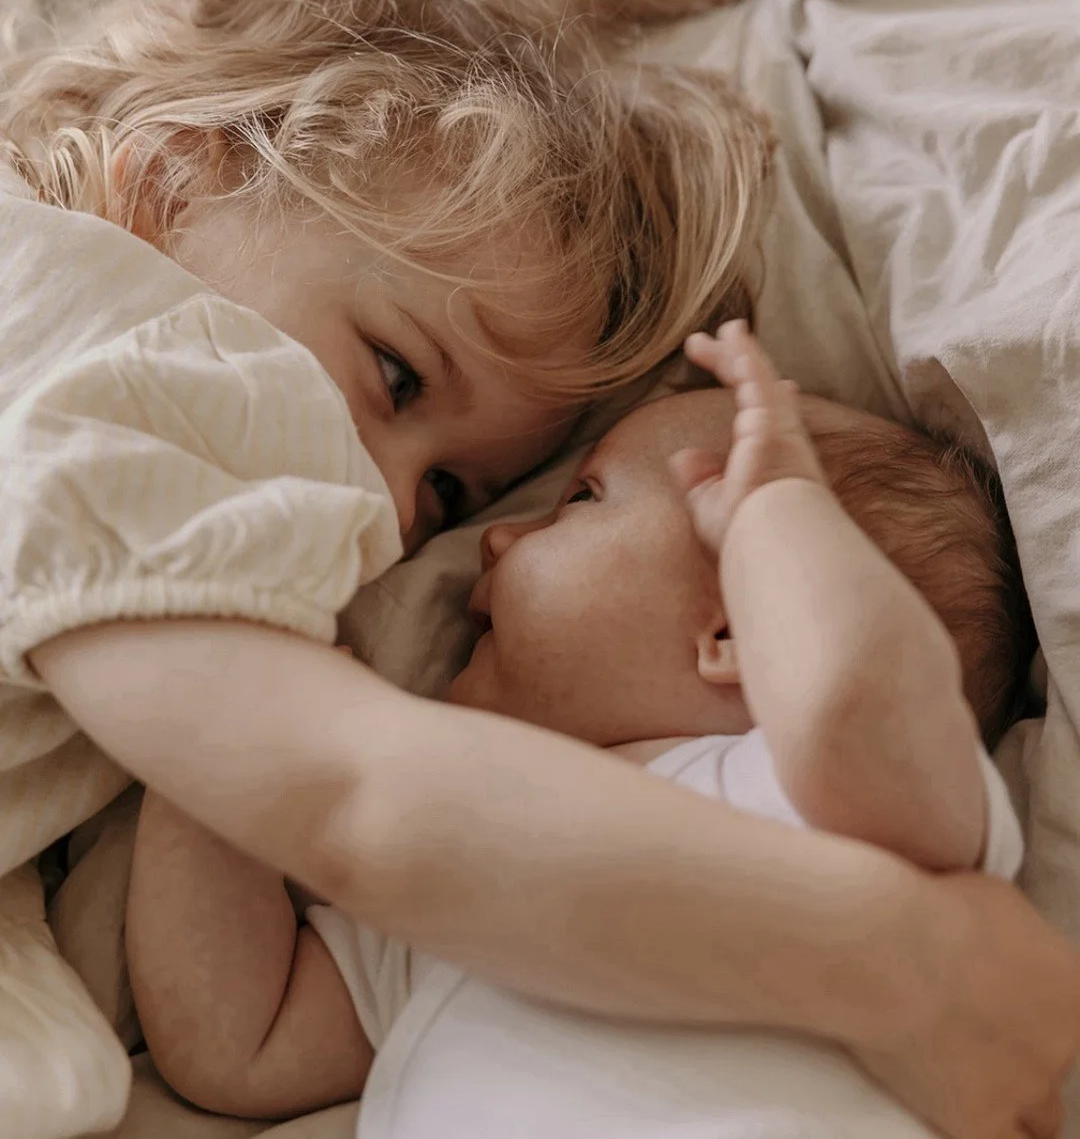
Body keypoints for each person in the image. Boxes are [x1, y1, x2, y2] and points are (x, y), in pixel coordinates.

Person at [126, 323, 1071, 1137]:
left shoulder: (846, 808)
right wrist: (230, 706)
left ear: (734, 627)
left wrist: (777, 512)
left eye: (582, 498)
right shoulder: (454, 842)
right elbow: (241, 1042)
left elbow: (849, 699)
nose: (498, 537)